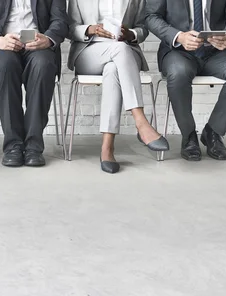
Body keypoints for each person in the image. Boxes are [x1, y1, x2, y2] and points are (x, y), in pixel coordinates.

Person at [67, 0, 169, 174]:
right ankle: (141, 122)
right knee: (119, 51)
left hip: (125, 52)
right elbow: (69, 27)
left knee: (113, 67)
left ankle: (107, 148)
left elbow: (142, 29)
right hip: (89, 50)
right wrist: (89, 29)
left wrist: (131, 34)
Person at [146, 0, 226, 161]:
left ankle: (213, 132)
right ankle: (189, 136)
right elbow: (151, 17)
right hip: (178, 51)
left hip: (217, 52)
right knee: (178, 73)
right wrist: (178, 36)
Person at [0, 0, 68, 168]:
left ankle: (33, 146)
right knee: (5, 66)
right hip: (2, 46)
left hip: (38, 45)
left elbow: (60, 20)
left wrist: (48, 39)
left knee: (43, 65)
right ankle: (13, 146)